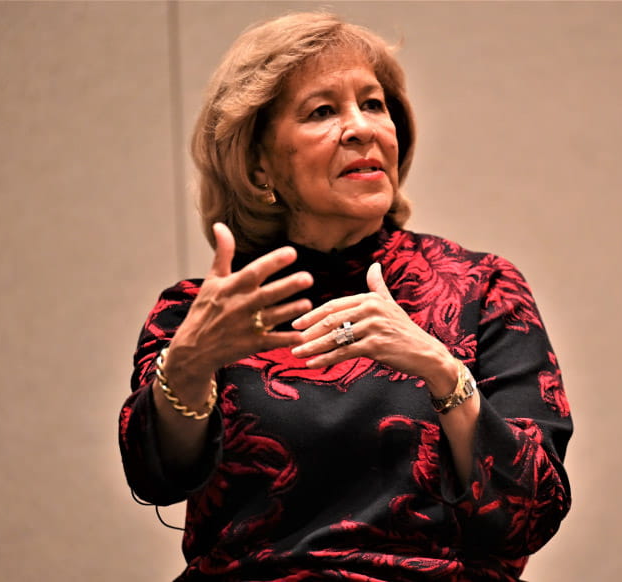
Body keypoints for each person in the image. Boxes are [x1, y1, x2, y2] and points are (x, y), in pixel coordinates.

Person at [119, 12, 572, 582]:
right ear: (260, 166)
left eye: (374, 104)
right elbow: (154, 476)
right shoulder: (204, 312)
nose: (361, 128)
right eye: (322, 111)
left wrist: (441, 369)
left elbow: (533, 513)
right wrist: (186, 363)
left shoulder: (480, 287)